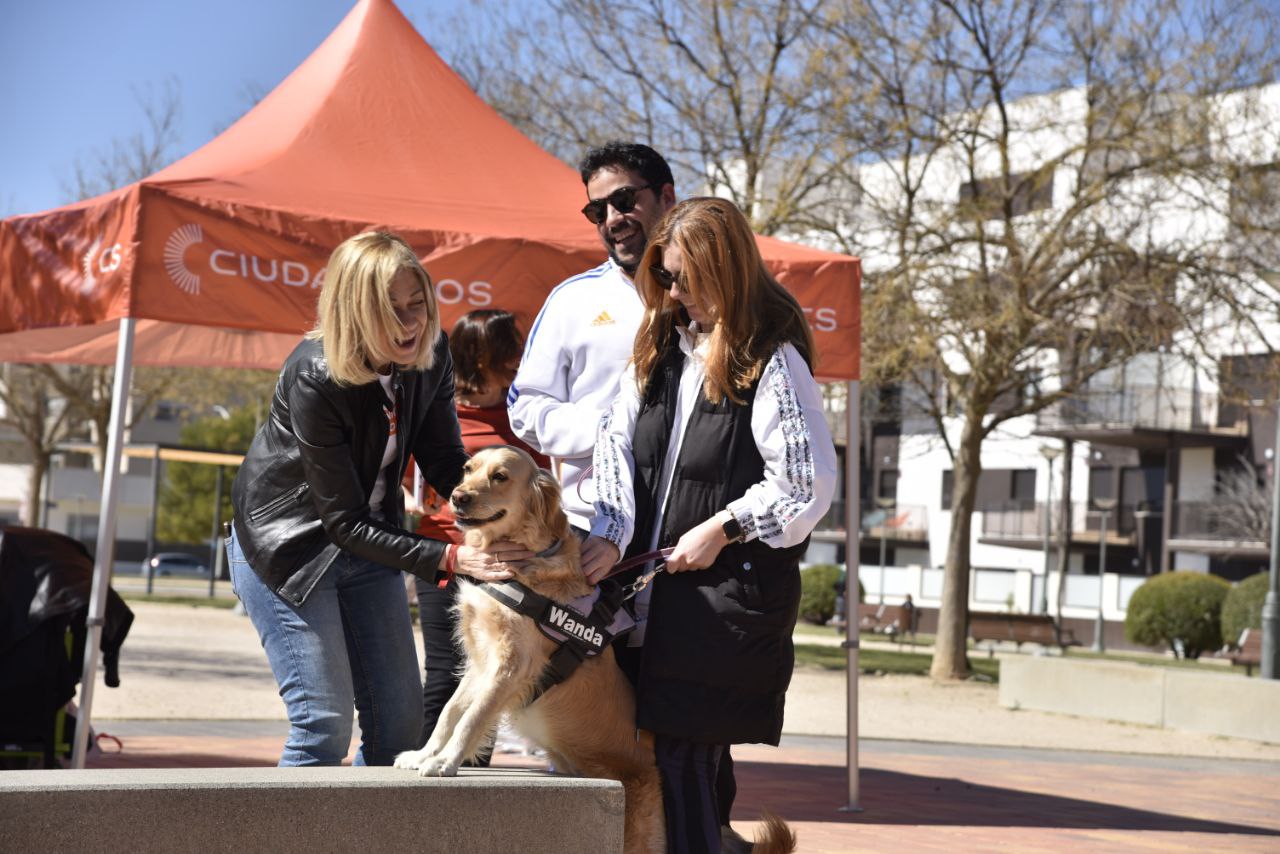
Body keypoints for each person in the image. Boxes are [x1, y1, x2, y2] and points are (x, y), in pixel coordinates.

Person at [585, 197, 837, 852]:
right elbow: (615, 454)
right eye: (665, 277)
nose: (674, 293)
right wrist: (608, 534)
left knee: (684, 770)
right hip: (649, 605)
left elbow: (807, 485)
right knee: (661, 773)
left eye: (686, 280)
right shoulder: (658, 350)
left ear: (726, 271)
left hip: (722, 607)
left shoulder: (773, 361)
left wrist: (723, 527)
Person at [227, 231, 523, 767]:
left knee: (399, 729)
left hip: (370, 544)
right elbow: (340, 521)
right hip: (287, 550)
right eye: (390, 309)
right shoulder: (314, 374)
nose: (410, 323)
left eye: (418, 304)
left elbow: (442, 458)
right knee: (323, 725)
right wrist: (453, 557)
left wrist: (498, 510)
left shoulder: (430, 356)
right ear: (353, 310)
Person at [507, 141, 677, 535]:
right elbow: (526, 408)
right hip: (593, 524)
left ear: (666, 196)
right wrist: (610, 427)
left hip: (689, 533)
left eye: (623, 199)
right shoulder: (572, 300)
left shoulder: (715, 298)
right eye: (597, 211)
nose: (612, 219)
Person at [405, 309, 549, 755]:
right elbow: (401, 474)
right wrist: (411, 501)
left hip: (507, 561)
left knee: (493, 674)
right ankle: (428, 776)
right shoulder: (436, 409)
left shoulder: (522, 415)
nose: (518, 361)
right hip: (445, 552)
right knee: (446, 671)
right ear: (481, 355)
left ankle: (474, 784)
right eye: (510, 351)